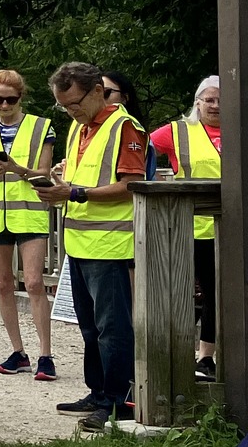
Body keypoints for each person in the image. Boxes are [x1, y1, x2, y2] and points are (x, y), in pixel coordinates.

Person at [40, 62, 145, 426]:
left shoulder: (125, 126)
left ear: (98, 90)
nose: (71, 111)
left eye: (75, 103)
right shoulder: (78, 126)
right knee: (88, 326)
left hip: (110, 244)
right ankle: (98, 393)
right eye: (64, 106)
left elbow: (132, 184)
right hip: (79, 241)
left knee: (112, 328)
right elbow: (79, 177)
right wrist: (60, 186)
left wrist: (77, 192)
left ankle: (117, 401)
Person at [0, 69, 58, 379]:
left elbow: (44, 174)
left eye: (10, 99)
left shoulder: (41, 127)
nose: (4, 105)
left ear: (21, 97)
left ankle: (45, 354)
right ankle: (18, 352)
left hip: (30, 212)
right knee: (3, 283)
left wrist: (16, 169)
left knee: (34, 282)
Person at [153, 76, 222, 379]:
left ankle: (206, 357)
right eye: (209, 100)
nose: (216, 105)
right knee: (178, 293)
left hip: (229, 226)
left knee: (217, 293)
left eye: (221, 100)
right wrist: (151, 185)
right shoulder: (179, 131)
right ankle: (172, 358)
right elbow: (136, 148)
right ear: (197, 102)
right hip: (188, 225)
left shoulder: (239, 129)